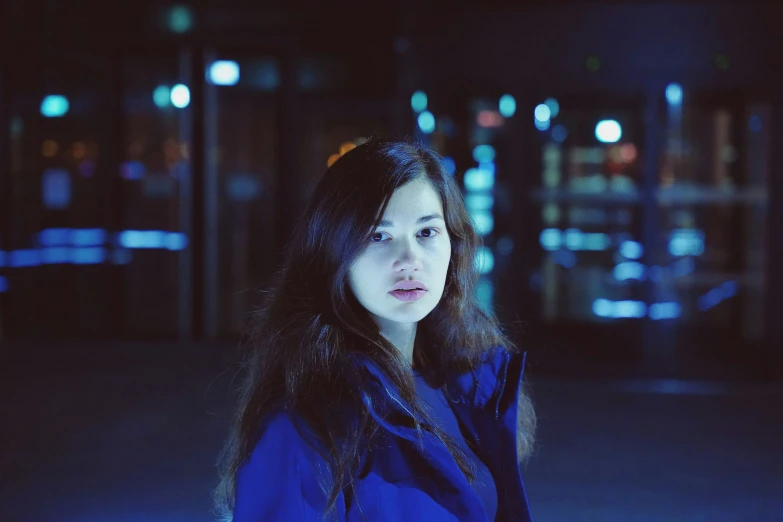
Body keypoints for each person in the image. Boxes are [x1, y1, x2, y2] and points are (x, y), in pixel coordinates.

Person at [214, 138, 536, 521]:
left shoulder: (463, 382)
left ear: (454, 242)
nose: (409, 260)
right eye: (378, 236)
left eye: (427, 232)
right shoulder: (305, 426)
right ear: (334, 252)